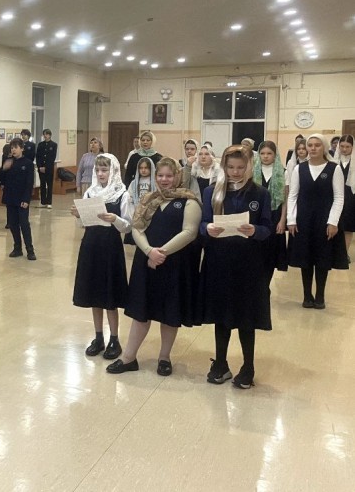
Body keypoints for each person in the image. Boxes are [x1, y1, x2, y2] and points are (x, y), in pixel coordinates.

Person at [107, 158, 201, 377]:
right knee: (141, 311)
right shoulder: (148, 199)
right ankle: (128, 357)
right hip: (147, 262)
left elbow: (189, 232)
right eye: (160, 175)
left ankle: (164, 358)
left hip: (174, 264)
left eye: (169, 175)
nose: (164, 179)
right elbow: (136, 228)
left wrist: (161, 253)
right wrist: (149, 251)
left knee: (170, 312)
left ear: (177, 176)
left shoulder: (189, 201)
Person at [198, 145, 273, 389]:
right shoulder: (212, 191)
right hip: (219, 262)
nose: (236, 172)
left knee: (246, 317)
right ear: (224, 167)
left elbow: (267, 228)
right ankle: (221, 363)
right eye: (230, 167)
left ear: (250, 166)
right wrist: (208, 228)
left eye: (241, 167)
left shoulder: (260, 193)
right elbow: (203, 224)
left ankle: (248, 366)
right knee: (221, 315)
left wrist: (254, 231)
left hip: (248, 264)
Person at [71, 153, 130, 360]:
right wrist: (78, 216)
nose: (100, 173)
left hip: (110, 247)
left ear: (113, 171)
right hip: (91, 245)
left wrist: (115, 219)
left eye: (104, 170)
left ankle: (114, 338)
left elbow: (128, 226)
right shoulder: (90, 192)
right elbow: (83, 224)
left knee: (109, 295)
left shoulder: (121, 194)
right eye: (98, 170)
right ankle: (98, 337)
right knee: (94, 293)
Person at [287, 134, 349, 309]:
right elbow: (292, 195)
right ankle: (307, 295)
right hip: (303, 220)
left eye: (317, 145)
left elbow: (339, 197)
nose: (313, 148)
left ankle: (320, 295)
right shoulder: (299, 169)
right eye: (310, 145)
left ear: (324, 147)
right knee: (305, 259)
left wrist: (333, 222)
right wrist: (291, 220)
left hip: (325, 220)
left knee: (322, 259)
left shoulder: (334, 169)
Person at [254, 141, 289, 278]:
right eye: (262, 153)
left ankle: (266, 284)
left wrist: (282, 220)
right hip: (256, 216)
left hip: (275, 216)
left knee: (271, 253)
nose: (265, 156)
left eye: (269, 153)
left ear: (275, 155)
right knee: (257, 252)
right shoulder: (252, 171)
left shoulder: (283, 172)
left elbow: (285, 199)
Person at [0, 137, 36, 260]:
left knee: (24, 224)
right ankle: (17, 248)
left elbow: (29, 183)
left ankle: (30, 250)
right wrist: (3, 169)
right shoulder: (9, 161)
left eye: (16, 147)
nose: (13, 150)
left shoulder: (28, 163)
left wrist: (26, 200)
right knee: (13, 224)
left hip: (22, 199)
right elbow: (0, 178)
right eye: (12, 148)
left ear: (22, 148)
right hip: (10, 197)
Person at [125, 156, 154, 245]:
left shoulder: (155, 182)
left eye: (146, 168)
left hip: (151, 213)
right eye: (141, 168)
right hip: (137, 213)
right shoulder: (134, 183)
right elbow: (129, 196)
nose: (143, 170)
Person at [335, 135, 355, 257]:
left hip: (351, 197)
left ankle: (344, 253)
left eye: (348, 147)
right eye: (342, 146)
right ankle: (334, 251)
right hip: (335, 197)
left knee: (348, 226)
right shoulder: (334, 161)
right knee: (335, 224)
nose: (344, 149)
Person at [36, 129, 58, 209]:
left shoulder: (54, 145)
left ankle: (49, 202)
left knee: (49, 185)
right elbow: (38, 156)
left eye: (47, 134)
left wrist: (46, 167)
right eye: (44, 134)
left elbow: (52, 157)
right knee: (42, 185)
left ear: (50, 135)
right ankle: (43, 202)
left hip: (49, 168)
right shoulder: (40, 144)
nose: (45, 136)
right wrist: (40, 166)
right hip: (41, 168)